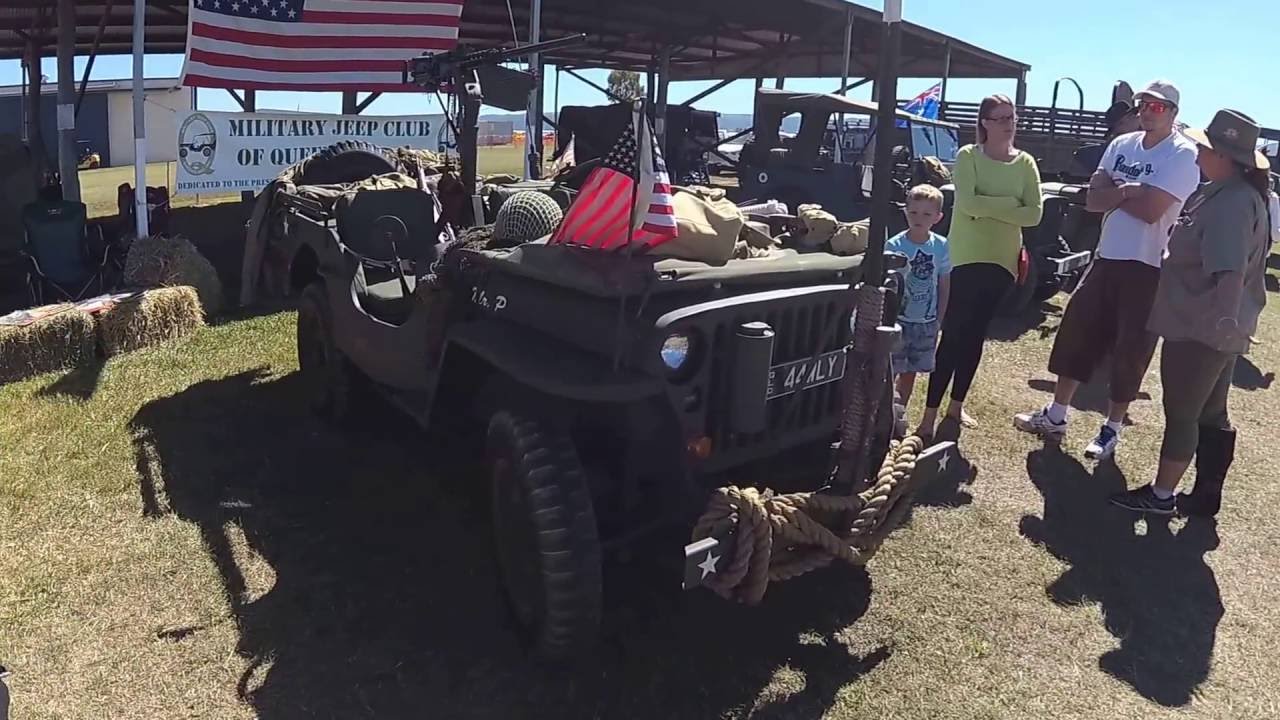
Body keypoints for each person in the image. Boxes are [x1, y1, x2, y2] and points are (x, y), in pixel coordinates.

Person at [1014, 80, 1201, 460]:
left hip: (1148, 265)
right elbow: (1094, 201)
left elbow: (1153, 213)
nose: (1148, 110)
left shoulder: (1183, 154)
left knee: (1131, 349)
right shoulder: (1121, 144)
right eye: (1143, 104)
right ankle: (1057, 414)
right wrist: (1128, 190)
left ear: (1174, 113)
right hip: (1107, 256)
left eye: (1158, 106)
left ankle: (1111, 429)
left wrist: (1119, 191)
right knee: (1076, 331)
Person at [1110, 110, 1271, 516]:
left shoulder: (1230, 202)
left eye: (1204, 146)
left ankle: (1162, 496)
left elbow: (1229, 270)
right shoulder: (1225, 192)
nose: (1197, 150)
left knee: (1181, 413)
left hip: (1200, 327)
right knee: (1210, 413)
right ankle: (1205, 494)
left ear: (1223, 155)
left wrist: (1219, 321)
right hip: (1211, 326)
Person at [918, 94, 1043, 437]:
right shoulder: (968, 156)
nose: (1008, 123)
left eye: (1012, 117)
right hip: (965, 257)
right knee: (954, 334)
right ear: (984, 123)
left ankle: (956, 407)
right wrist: (1009, 205)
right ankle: (929, 415)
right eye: (1001, 118)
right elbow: (968, 203)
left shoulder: (1025, 163)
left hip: (1002, 261)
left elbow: (1034, 214)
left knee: (975, 336)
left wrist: (989, 206)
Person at [886, 184, 951, 431]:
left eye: (926, 214)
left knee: (910, 371)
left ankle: (898, 419)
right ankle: (882, 414)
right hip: (897, 321)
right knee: (889, 368)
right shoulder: (894, 244)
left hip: (925, 322)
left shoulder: (941, 246)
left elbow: (944, 282)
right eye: (913, 213)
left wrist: (939, 320)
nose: (919, 219)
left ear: (937, 217)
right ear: (905, 212)